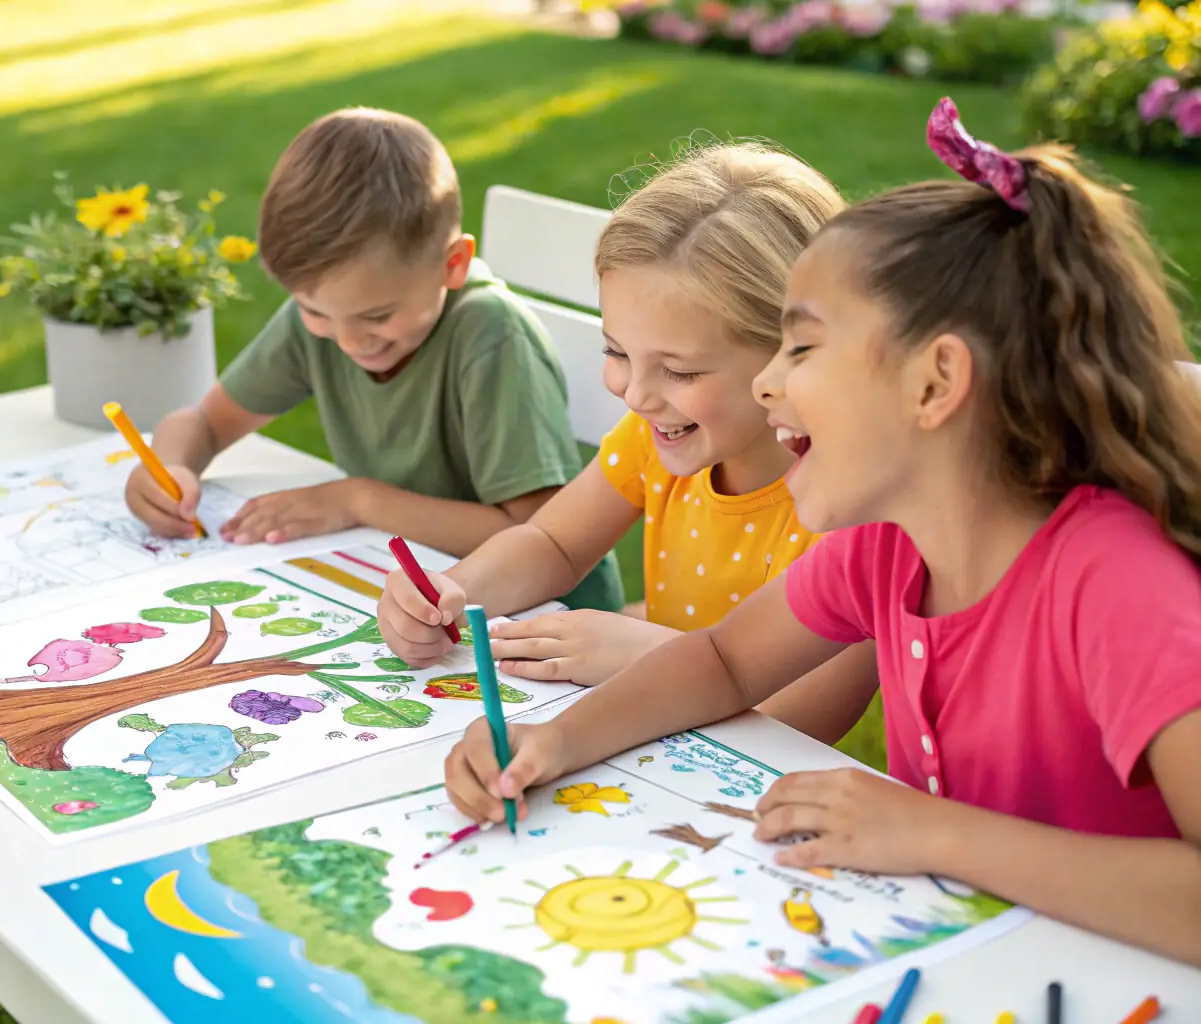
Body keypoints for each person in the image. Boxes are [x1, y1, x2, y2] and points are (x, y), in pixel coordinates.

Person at [440, 98, 1201, 967]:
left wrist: (937, 835)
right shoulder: (886, 545)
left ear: (934, 383)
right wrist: (554, 739)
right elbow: (722, 662)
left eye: (799, 351)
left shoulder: (1115, 586)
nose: (767, 386)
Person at [376, 139, 878, 722]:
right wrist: (448, 592)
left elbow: (807, 718)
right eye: (617, 351)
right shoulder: (658, 435)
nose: (636, 395)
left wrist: (642, 654)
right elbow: (554, 545)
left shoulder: (859, 512)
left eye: (681, 370)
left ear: (797, 356)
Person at [123, 107, 622, 612]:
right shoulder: (323, 320)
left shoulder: (492, 337)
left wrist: (357, 501)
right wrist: (168, 467)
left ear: (452, 265)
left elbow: (536, 535)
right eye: (315, 311)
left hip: (545, 624)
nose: (347, 340)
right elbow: (206, 422)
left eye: (377, 315)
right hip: (415, 592)